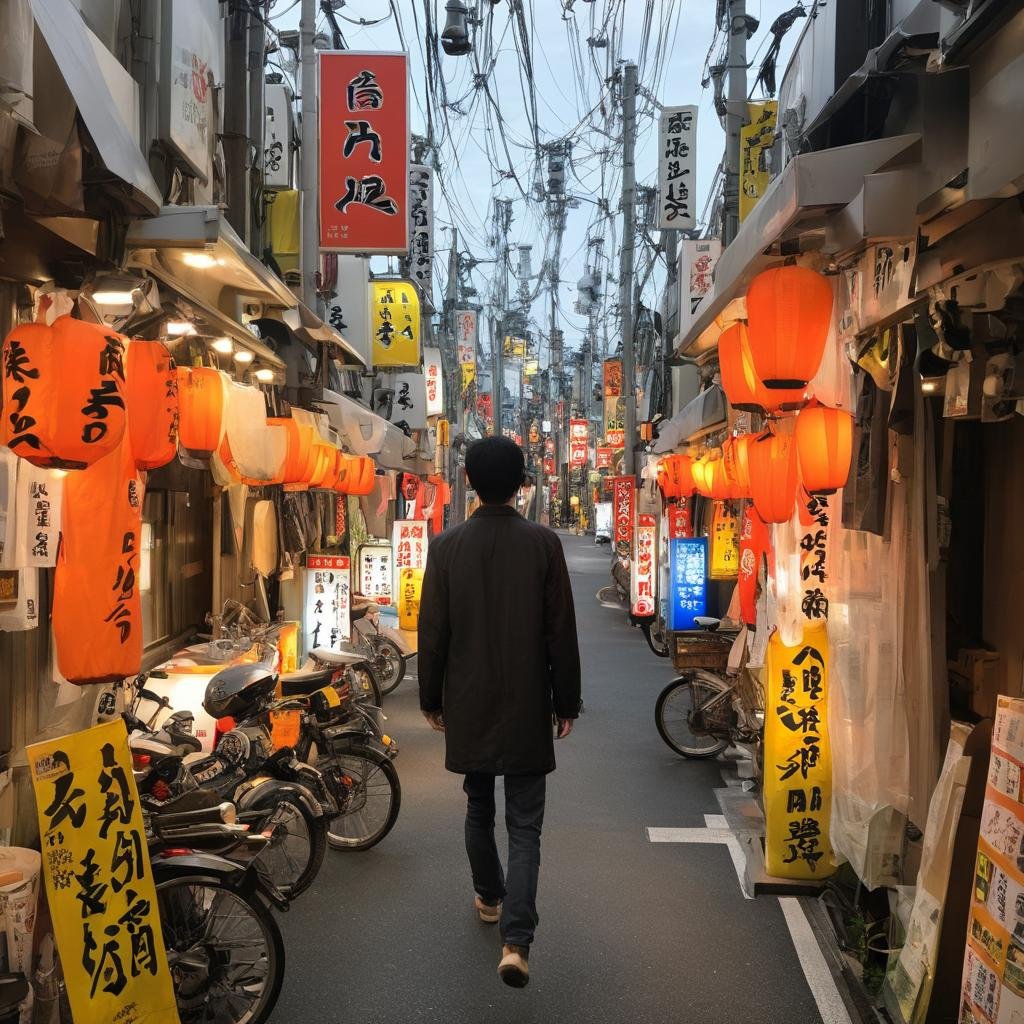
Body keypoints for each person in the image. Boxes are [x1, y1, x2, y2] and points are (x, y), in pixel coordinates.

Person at [418, 435, 582, 989]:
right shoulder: (543, 544)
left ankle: (489, 895)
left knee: (478, 805)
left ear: (468, 480)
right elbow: (560, 630)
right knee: (526, 826)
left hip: (469, 700)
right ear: (521, 484)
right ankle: (516, 942)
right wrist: (566, 701)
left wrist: (430, 698)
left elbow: (433, 631)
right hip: (527, 701)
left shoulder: (445, 548)